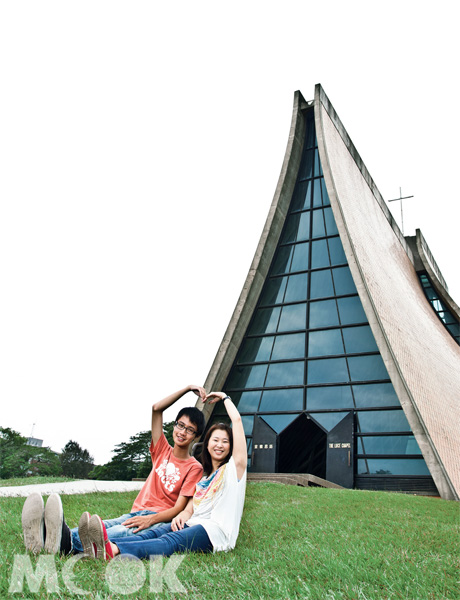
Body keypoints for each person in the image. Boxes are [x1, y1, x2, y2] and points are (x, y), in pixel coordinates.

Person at [21, 385, 206, 555]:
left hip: (156, 519)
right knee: (99, 526)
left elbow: (178, 508)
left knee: (115, 532)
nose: (182, 432)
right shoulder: (162, 450)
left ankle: (64, 544)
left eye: (190, 430)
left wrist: (151, 520)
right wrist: (188, 389)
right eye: (180, 425)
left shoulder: (194, 467)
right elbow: (157, 409)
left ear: (196, 436)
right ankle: (45, 535)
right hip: (135, 513)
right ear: (174, 426)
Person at [82, 391, 247, 559]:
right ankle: (81, 543)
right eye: (215, 440)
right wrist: (182, 516)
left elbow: (237, 420)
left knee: (170, 540)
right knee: (154, 533)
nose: (219, 445)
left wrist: (225, 398)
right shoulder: (205, 480)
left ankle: (114, 549)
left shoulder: (233, 472)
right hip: (191, 523)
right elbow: (190, 508)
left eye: (225, 441)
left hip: (214, 531)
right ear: (207, 443)